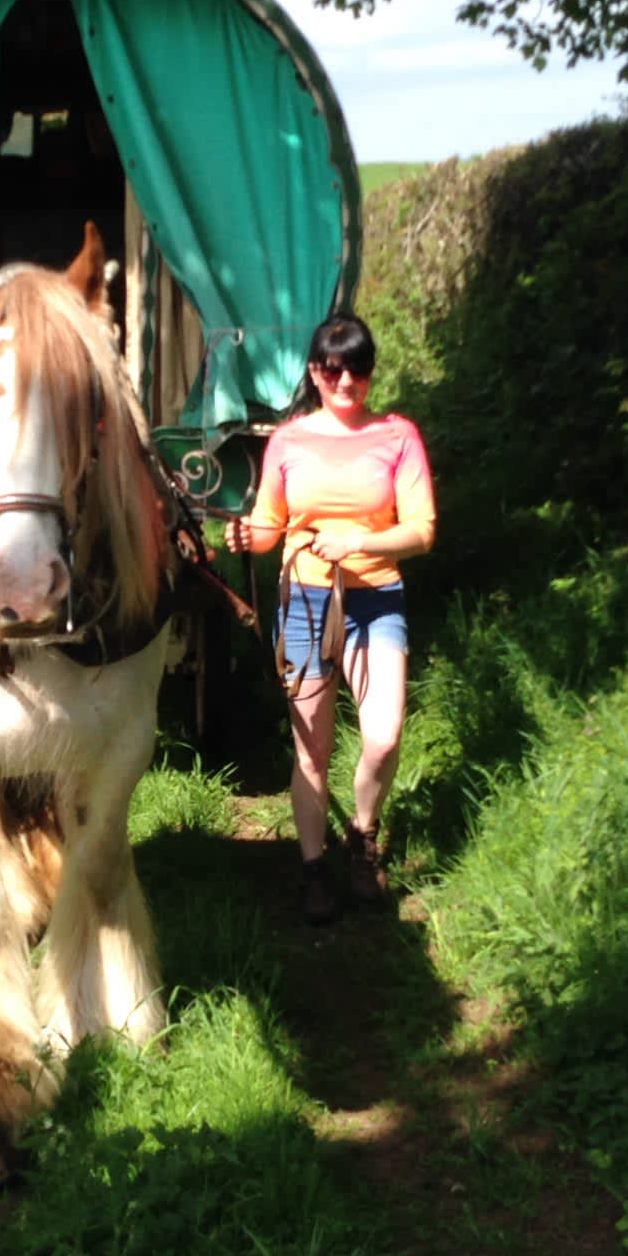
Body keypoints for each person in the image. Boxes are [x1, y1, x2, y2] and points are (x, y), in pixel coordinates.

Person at [225, 315, 436, 925]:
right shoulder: (288, 441)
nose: (348, 380)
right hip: (304, 603)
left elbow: (422, 530)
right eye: (335, 368)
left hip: (375, 600)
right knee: (311, 750)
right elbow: (270, 524)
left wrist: (359, 543)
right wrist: (246, 536)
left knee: (385, 735)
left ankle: (362, 836)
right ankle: (314, 867)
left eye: (360, 367)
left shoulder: (397, 436)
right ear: (315, 372)